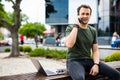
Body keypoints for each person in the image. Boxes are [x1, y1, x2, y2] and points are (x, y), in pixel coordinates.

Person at [65, 4, 120, 80]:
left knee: (116, 74)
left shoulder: (92, 30)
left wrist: (96, 64)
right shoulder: (71, 27)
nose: (85, 16)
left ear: (90, 16)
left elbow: (95, 50)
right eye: (83, 14)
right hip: (74, 61)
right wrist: (76, 26)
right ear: (78, 15)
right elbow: (69, 45)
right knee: (79, 79)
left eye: (87, 14)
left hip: (88, 60)